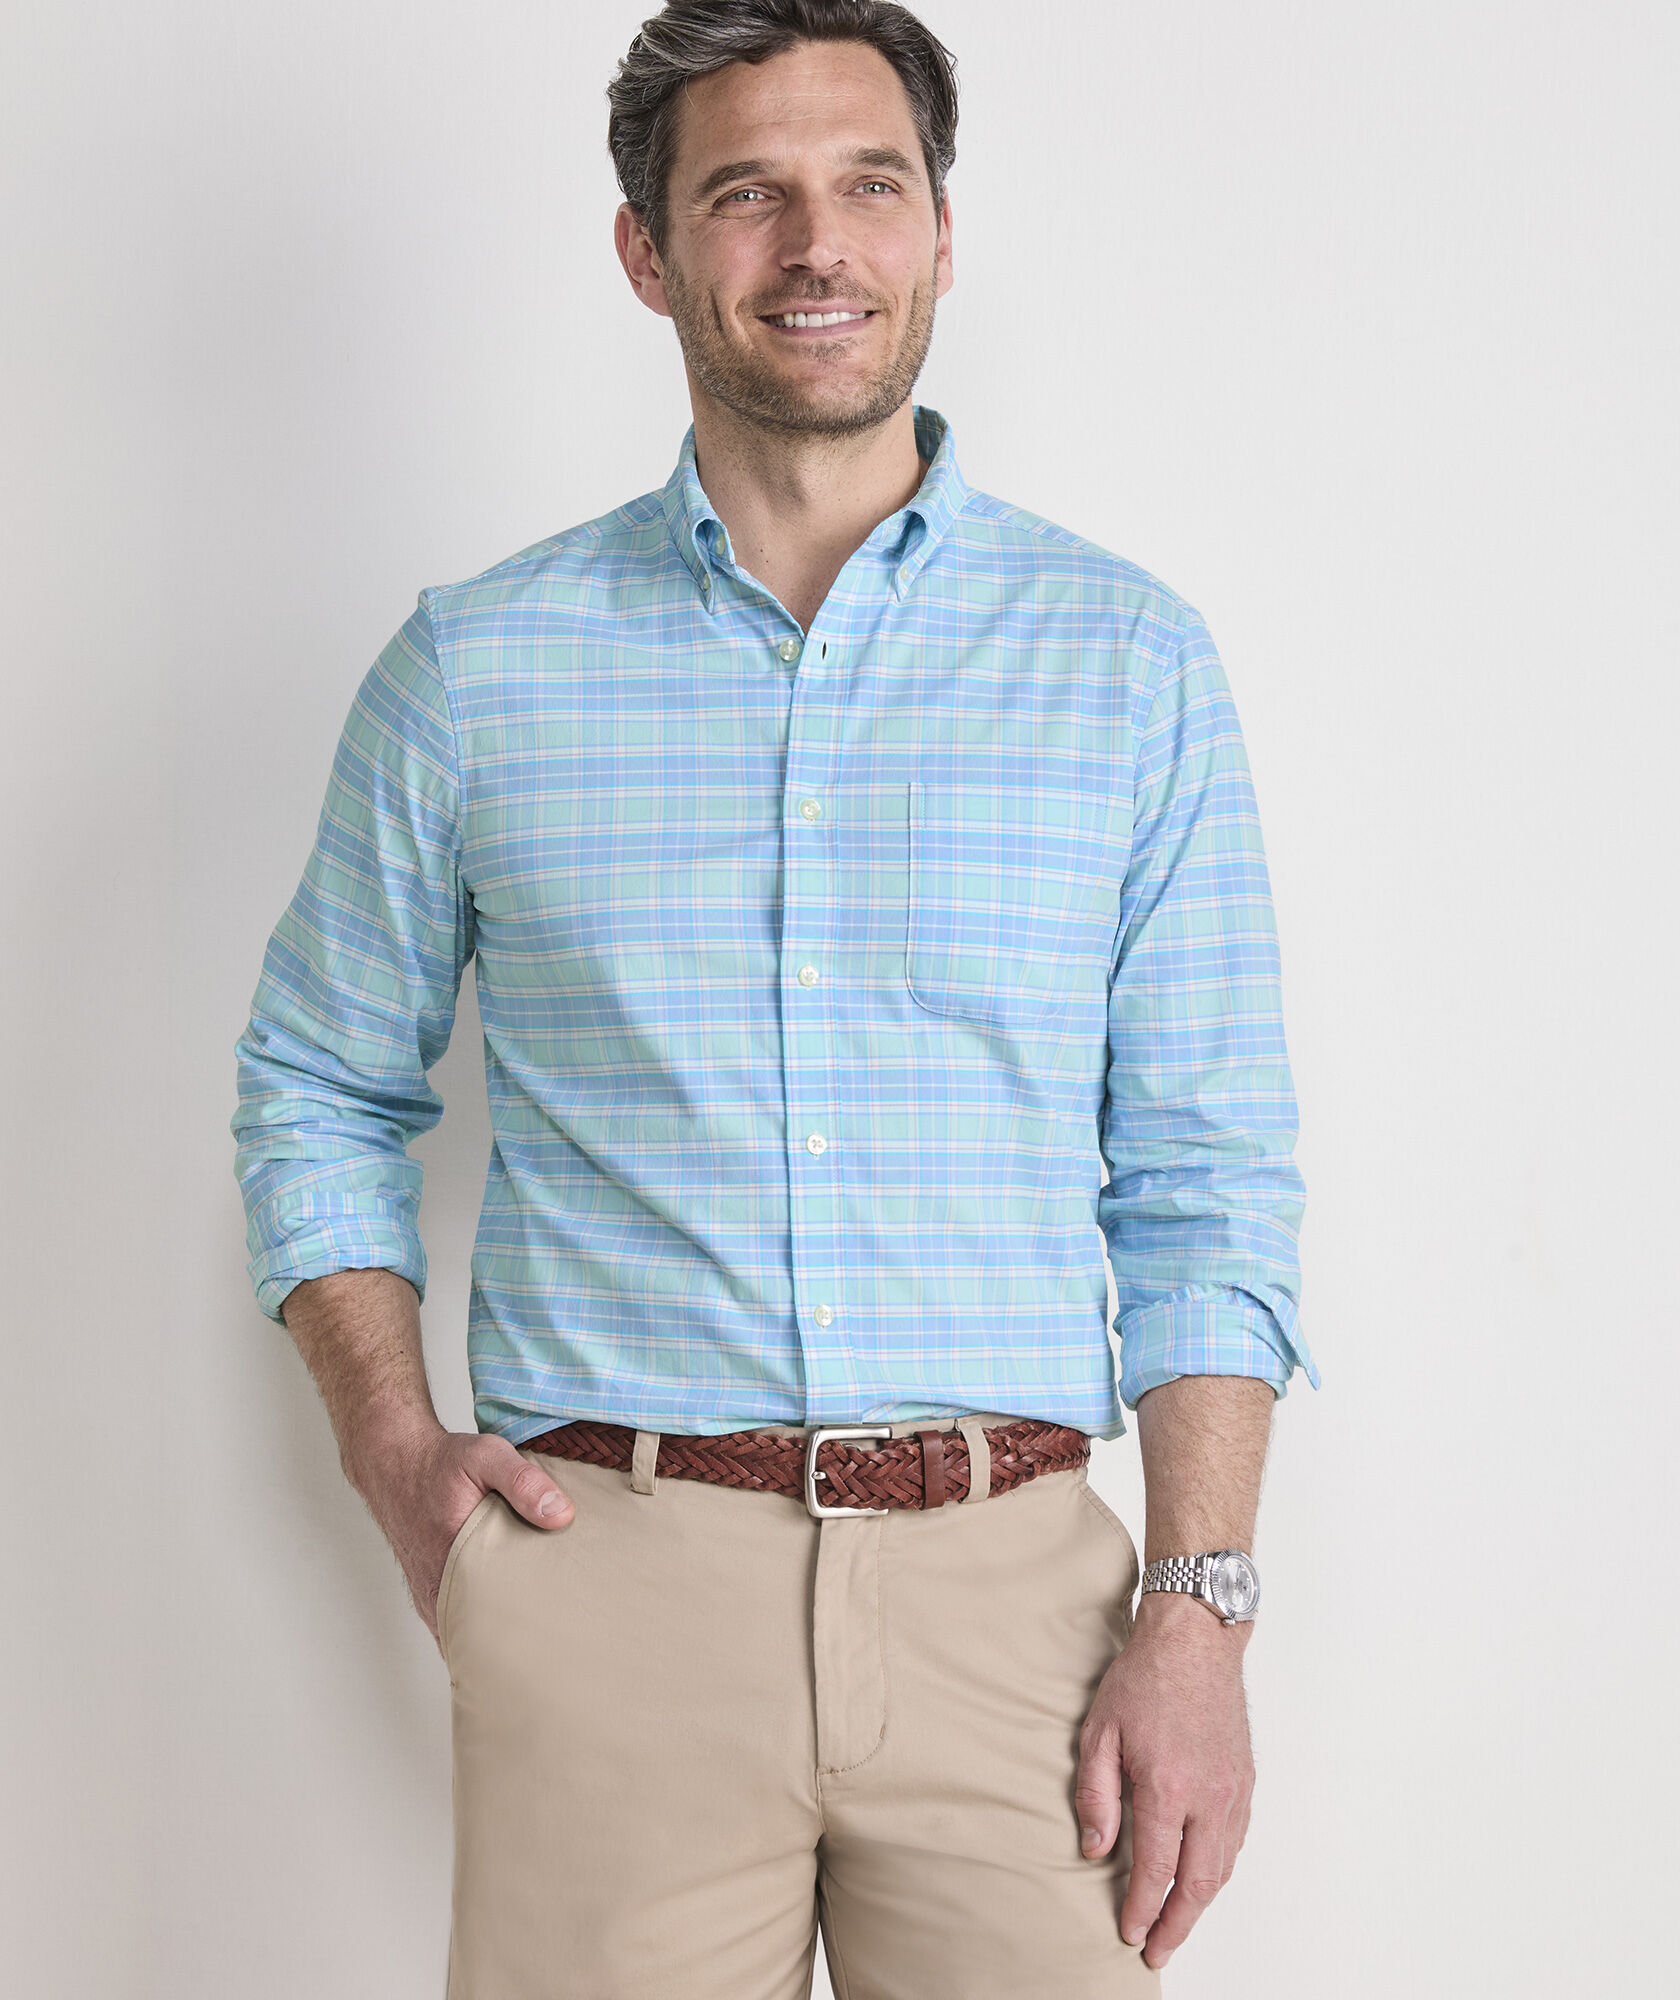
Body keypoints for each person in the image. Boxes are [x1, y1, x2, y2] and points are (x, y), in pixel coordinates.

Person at [230, 2, 1317, 1991]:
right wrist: (395, 1454)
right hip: (607, 1586)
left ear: (940, 233)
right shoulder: (475, 669)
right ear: (648, 253)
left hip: (1025, 1612)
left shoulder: (1127, 666)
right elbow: (317, 1082)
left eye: (868, 186)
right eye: (747, 195)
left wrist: (1198, 1608)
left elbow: (1207, 1174)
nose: (819, 245)